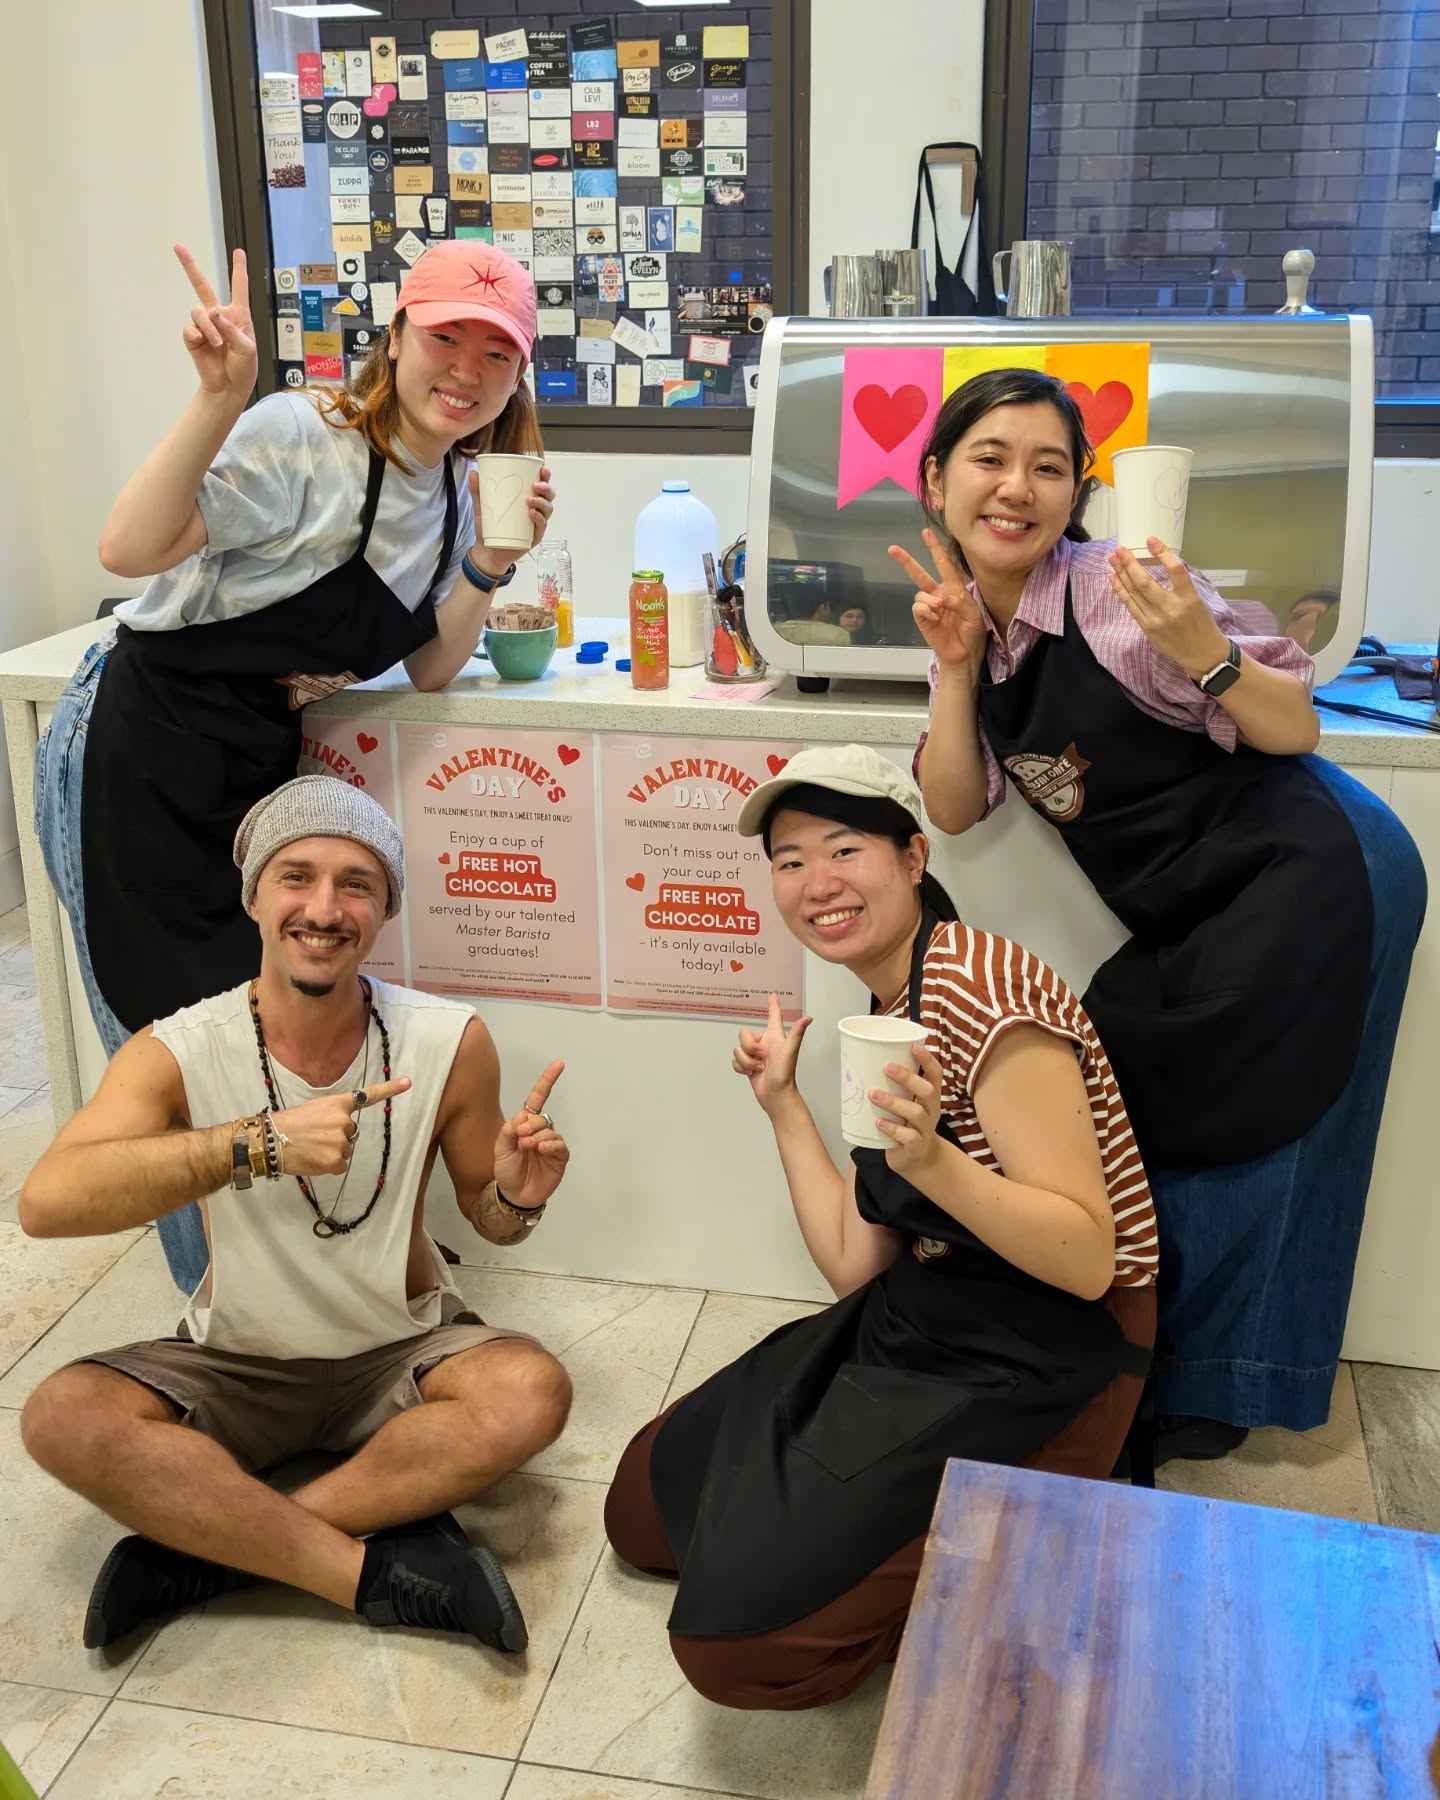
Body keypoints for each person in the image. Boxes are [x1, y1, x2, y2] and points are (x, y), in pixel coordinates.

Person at [897, 367, 1425, 1462]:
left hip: (1316, 867)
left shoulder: (1116, 591)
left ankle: (1218, 1385)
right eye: (991, 460)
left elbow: (1295, 729)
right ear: (937, 479)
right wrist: (952, 673)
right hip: (1207, 900)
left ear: (1079, 492)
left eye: (1051, 467)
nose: (1019, 489)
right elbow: (950, 805)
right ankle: (1156, 1357)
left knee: (1284, 1118)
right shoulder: (972, 627)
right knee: (1128, 1073)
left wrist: (1205, 648)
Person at [35, 238, 555, 1296]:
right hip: (136, 750)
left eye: (493, 351)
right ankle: (216, 1311)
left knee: (259, 1040)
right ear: (397, 335)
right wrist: (219, 400)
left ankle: (289, 1296)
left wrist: (491, 565)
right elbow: (129, 550)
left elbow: (434, 659)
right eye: (444, 334)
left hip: (249, 766)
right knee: (177, 1049)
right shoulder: (303, 434)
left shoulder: (456, 488)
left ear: (517, 375)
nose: (464, 368)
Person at [604, 744, 1155, 1710]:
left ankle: (989, 1586)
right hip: (926, 1309)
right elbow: (859, 1270)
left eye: (845, 849)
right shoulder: (888, 1005)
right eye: (787, 860)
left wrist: (931, 1159)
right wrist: (782, 1105)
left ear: (912, 857)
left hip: (1057, 1341)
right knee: (643, 1508)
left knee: (731, 1649)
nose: (816, 884)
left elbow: (1084, 1257)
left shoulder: (983, 989)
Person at [18, 776, 572, 1654]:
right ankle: (361, 1572)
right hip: (237, 1363)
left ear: (384, 911)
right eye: (296, 876)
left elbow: (489, 1220)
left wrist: (514, 1197)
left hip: (399, 1348)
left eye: (356, 884)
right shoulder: (177, 1048)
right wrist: (256, 1143)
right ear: (254, 899)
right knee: (59, 1417)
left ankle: (216, 1552)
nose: (324, 908)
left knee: (532, 1390)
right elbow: (45, 1204)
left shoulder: (446, 1039)